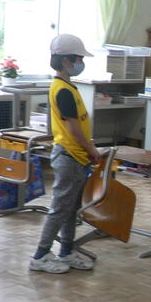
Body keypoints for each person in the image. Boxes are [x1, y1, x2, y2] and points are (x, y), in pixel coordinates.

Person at [29, 34, 101, 274]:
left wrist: (87, 150)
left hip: (76, 156)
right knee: (60, 209)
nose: (82, 63)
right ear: (67, 61)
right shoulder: (63, 90)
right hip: (70, 156)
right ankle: (40, 255)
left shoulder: (68, 87)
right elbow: (73, 128)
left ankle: (67, 250)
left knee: (71, 209)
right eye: (79, 58)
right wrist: (92, 149)